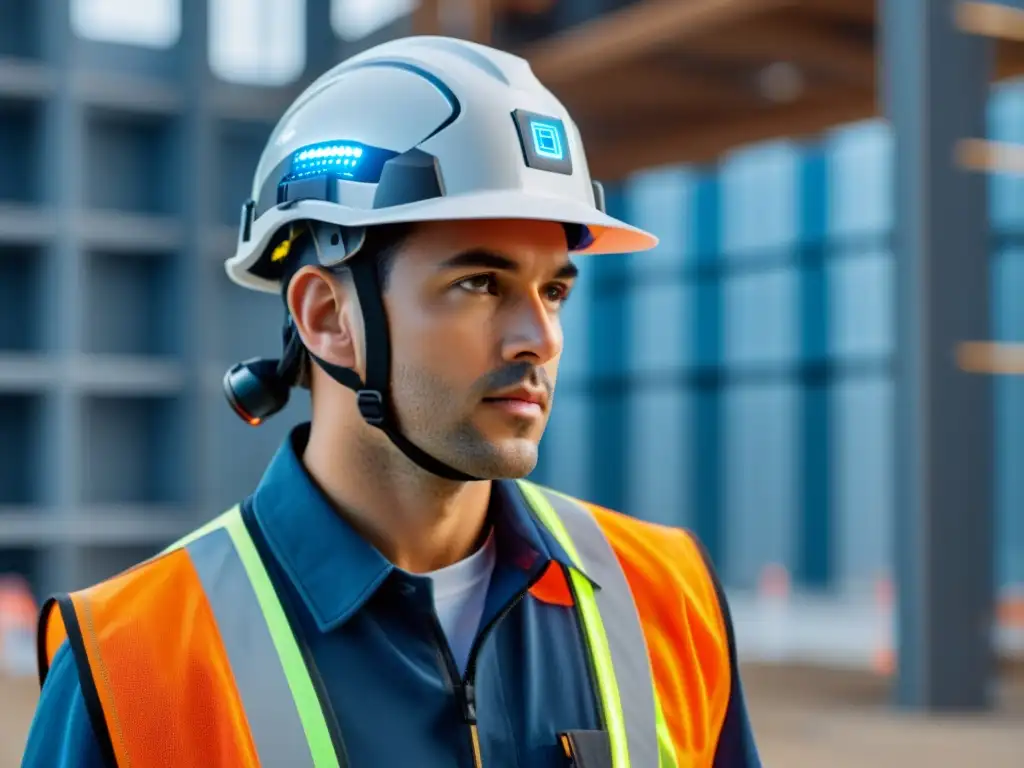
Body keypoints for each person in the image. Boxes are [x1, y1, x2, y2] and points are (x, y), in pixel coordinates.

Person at [23, 36, 762, 768]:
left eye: (555, 291)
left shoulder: (668, 596)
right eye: (480, 284)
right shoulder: (133, 663)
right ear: (327, 319)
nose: (539, 339)